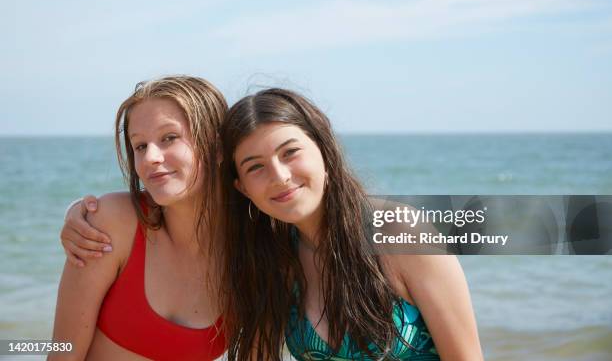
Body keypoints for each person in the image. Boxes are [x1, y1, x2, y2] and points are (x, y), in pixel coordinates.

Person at [62, 89, 483, 361]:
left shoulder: (399, 230)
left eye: (290, 152)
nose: (279, 176)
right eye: (256, 167)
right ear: (241, 186)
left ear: (324, 149)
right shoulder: (275, 258)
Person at [50, 76, 227, 361]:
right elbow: (61, 353)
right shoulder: (111, 224)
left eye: (169, 138)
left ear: (217, 148)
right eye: (140, 146)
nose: (150, 158)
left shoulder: (250, 253)